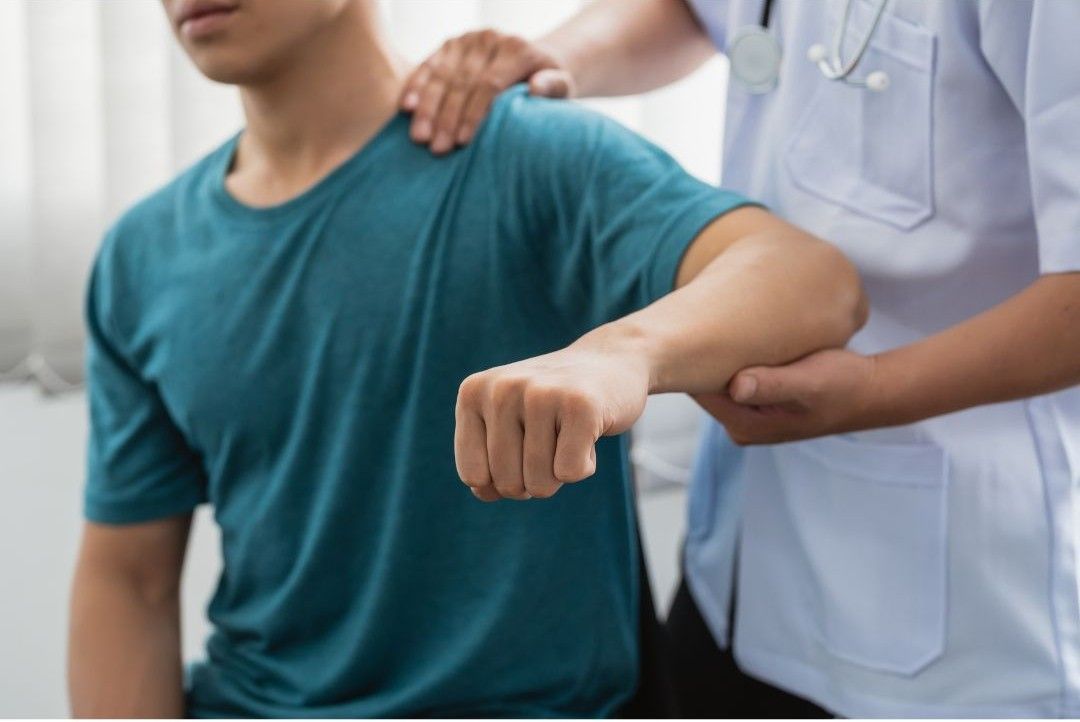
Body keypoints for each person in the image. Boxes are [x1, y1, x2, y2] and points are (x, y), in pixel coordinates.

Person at [67, 0, 866, 717]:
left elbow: (812, 283)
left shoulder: (535, 160)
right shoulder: (144, 256)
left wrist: (621, 356)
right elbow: (128, 578)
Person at [401, 0, 1080, 717]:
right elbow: (706, 12)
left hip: (961, 620)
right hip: (738, 564)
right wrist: (554, 60)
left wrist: (875, 388)